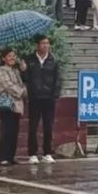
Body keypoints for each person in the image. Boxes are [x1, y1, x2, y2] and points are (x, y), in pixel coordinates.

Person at [21, 35, 61, 164]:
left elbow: (58, 80)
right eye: (43, 43)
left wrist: (55, 94)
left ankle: (47, 153)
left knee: (48, 126)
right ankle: (32, 153)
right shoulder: (29, 60)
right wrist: (23, 70)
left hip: (49, 98)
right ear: (37, 45)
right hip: (35, 98)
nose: (46, 45)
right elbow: (26, 79)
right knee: (33, 126)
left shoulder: (53, 60)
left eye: (47, 43)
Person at [0, 48, 26, 166]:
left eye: (14, 55)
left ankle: (10, 156)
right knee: (7, 131)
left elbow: (22, 83)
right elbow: (8, 86)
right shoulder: (2, 70)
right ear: (3, 59)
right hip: (6, 103)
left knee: (14, 131)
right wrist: (22, 92)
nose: (12, 58)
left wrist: (23, 70)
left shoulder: (15, 70)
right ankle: (2, 157)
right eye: (9, 56)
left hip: (16, 105)